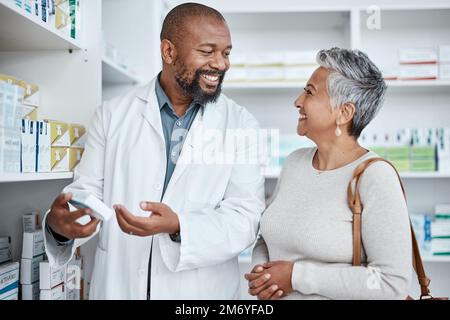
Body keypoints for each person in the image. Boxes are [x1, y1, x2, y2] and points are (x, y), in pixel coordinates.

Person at [43, 3, 265, 299]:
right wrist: (61, 226)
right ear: (169, 52)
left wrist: (179, 225)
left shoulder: (241, 124)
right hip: (120, 286)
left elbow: (245, 219)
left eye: (226, 53)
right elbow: (87, 195)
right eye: (207, 51)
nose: (221, 64)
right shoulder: (112, 115)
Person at [245, 47, 412, 300]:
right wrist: (262, 273)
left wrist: (295, 277)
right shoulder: (295, 163)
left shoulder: (375, 176)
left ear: (344, 113)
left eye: (310, 92)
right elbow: (267, 236)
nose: (298, 101)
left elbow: (391, 282)